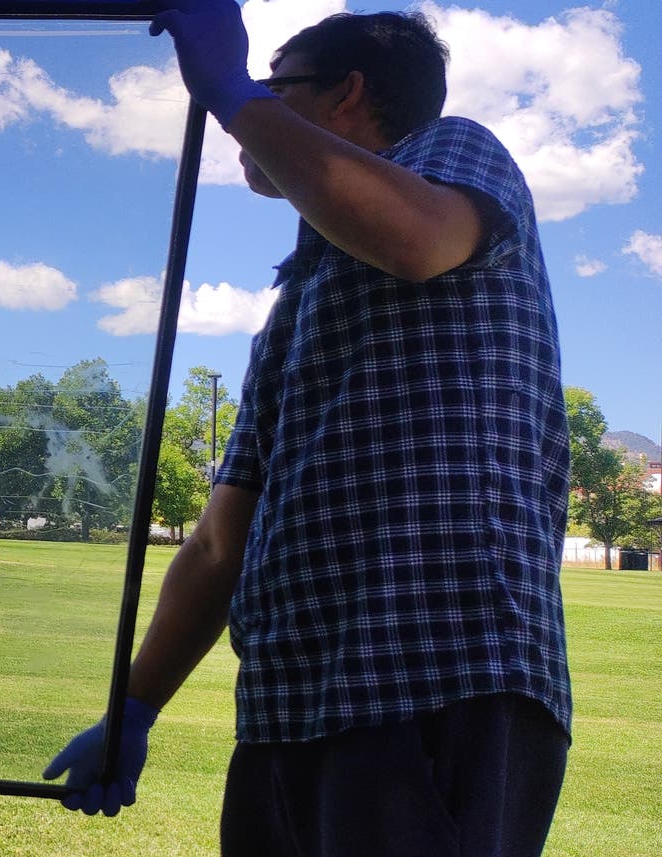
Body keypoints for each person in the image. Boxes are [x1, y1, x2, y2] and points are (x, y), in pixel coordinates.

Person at [43, 4, 571, 856]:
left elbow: (415, 237)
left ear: (347, 94)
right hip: (289, 707)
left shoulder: (454, 152)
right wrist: (133, 706)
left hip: (440, 674)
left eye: (276, 84)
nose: (252, 106)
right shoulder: (299, 300)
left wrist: (228, 90)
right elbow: (220, 542)